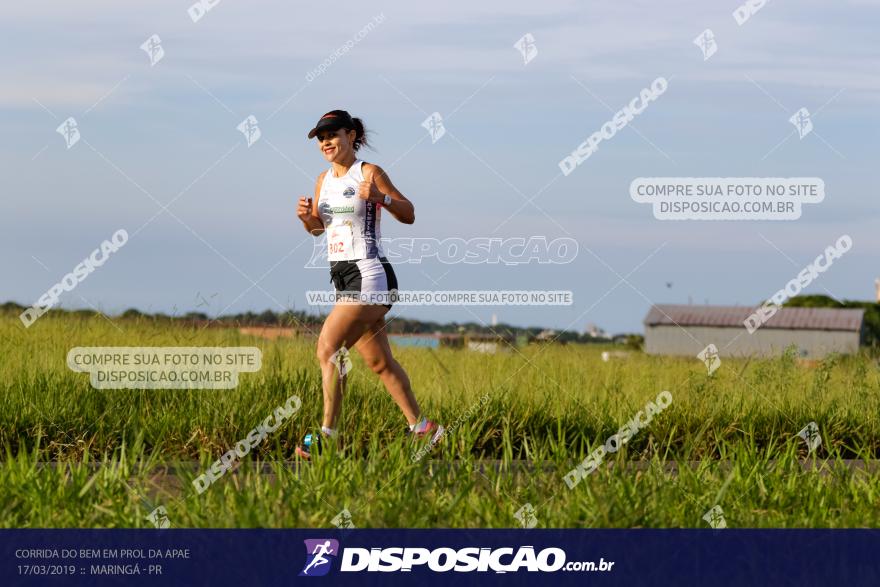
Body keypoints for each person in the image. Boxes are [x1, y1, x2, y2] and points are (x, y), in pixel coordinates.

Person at [294, 109, 444, 459]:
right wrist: (306, 219)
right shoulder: (322, 181)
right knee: (379, 363)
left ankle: (327, 435)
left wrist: (380, 198)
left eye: (332, 135)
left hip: (369, 274)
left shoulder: (369, 172)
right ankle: (423, 429)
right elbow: (319, 229)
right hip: (342, 276)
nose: (326, 142)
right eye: (320, 138)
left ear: (350, 135)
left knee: (328, 350)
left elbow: (409, 213)